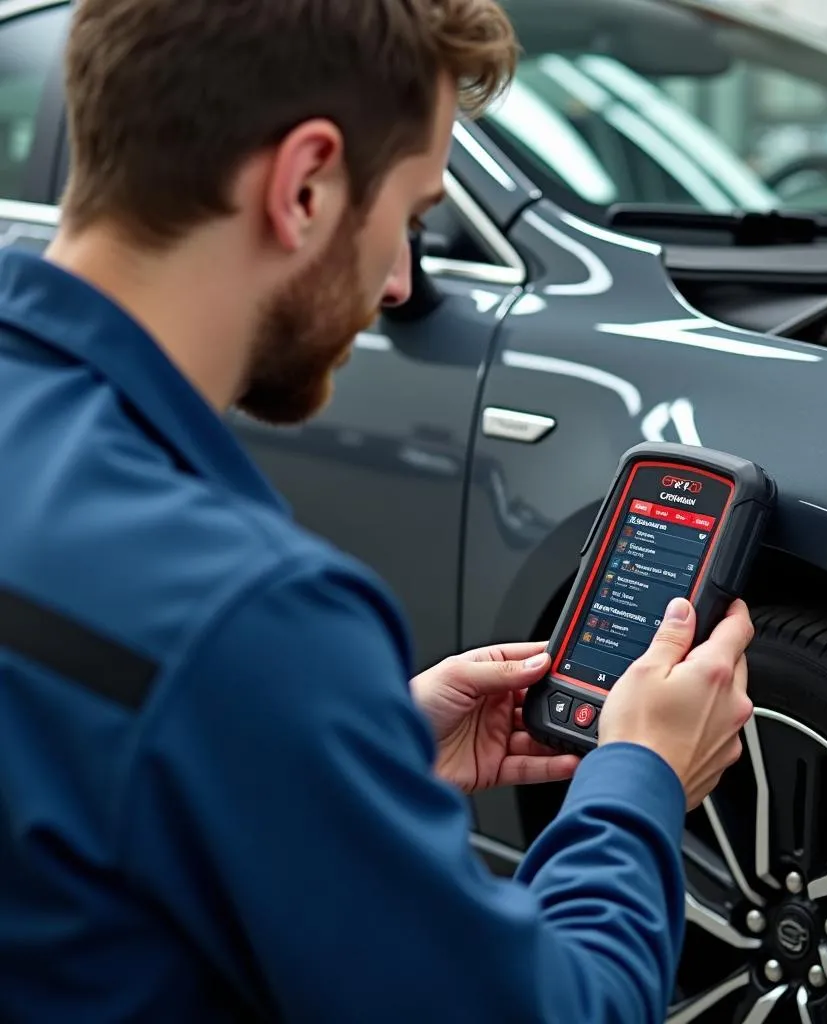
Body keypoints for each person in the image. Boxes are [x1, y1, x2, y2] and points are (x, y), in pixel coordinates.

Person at [0, 1, 755, 1021]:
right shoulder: (250, 614)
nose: (399, 279)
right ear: (305, 183)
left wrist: (357, 749)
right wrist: (639, 781)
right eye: (408, 211)